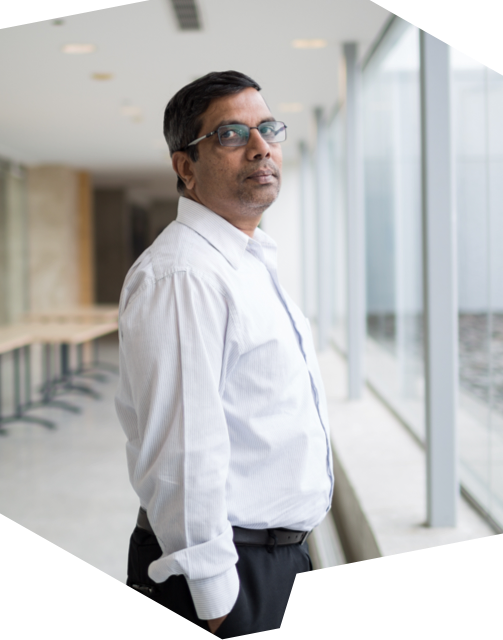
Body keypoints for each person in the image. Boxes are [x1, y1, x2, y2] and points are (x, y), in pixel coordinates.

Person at [115, 70, 333, 637]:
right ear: (185, 167)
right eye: (232, 135)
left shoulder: (247, 258)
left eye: (268, 129)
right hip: (223, 577)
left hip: (271, 560)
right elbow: (183, 460)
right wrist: (221, 611)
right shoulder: (184, 275)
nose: (261, 146)